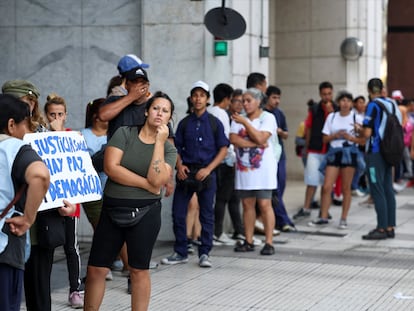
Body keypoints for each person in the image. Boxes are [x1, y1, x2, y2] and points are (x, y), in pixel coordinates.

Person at [84, 91, 177, 311]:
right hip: (112, 208)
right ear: (146, 111)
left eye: (165, 111)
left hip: (146, 213)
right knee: (96, 269)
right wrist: (147, 185)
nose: (159, 113)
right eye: (155, 108)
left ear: (169, 118)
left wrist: (159, 143)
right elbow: (111, 168)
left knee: (138, 270)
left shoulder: (169, 149)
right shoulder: (124, 133)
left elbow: (158, 178)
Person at [2, 79, 77, 311]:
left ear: (32, 103)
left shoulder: (46, 134)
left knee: (38, 287)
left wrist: (66, 202)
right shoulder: (10, 138)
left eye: (21, 102)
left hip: (40, 223)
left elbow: (60, 175)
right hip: (12, 226)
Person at [161, 81, 228, 268]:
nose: (198, 99)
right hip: (186, 172)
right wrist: (179, 165)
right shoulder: (184, 123)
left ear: (207, 99)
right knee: (178, 212)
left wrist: (209, 169)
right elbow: (175, 147)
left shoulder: (215, 123)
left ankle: (205, 252)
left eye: (202, 95)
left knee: (207, 215)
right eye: (195, 95)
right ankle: (181, 251)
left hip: (207, 173)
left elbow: (223, 148)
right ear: (191, 98)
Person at [0, 94, 50, 311]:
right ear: (11, 125)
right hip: (6, 244)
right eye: (26, 125)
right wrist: (29, 218)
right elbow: (40, 176)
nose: (28, 132)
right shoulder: (14, 148)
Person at [43, 93, 84, 308]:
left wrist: (59, 133)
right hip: (48, 203)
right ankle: (43, 291)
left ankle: (75, 290)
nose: (56, 118)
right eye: (52, 114)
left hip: (70, 202)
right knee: (47, 247)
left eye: (60, 114)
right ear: (45, 116)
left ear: (66, 115)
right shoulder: (39, 138)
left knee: (71, 246)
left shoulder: (73, 135)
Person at [308, 91, 365, 229]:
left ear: (352, 104)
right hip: (334, 152)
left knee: (346, 188)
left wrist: (351, 137)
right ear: (338, 102)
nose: (345, 103)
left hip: (349, 152)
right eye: (343, 100)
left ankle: (343, 218)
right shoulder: (332, 117)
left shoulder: (356, 118)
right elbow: (324, 138)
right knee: (327, 186)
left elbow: (363, 141)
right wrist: (336, 135)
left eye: (348, 100)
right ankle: (323, 216)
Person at [231, 88, 277, 255]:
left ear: (258, 101)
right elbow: (234, 139)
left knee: (265, 204)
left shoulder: (268, 117)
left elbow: (261, 137)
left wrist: (245, 124)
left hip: (263, 170)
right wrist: (255, 144)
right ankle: (248, 240)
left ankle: (269, 242)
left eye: (248, 100)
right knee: (247, 204)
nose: (245, 104)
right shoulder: (237, 119)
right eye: (243, 100)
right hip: (245, 170)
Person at [361, 78, 401, 240]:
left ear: (369, 90)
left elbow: (367, 133)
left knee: (376, 189)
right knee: (388, 189)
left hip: (375, 152)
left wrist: (359, 130)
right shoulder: (392, 103)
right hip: (389, 151)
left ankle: (381, 228)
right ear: (382, 89)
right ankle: (390, 226)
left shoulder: (372, 105)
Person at [293, 81, 337, 220]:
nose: (327, 96)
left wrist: (332, 113)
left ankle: (325, 210)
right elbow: (309, 128)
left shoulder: (337, 109)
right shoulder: (315, 109)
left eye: (329, 93)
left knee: (327, 184)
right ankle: (306, 208)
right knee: (311, 180)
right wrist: (307, 147)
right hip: (314, 149)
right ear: (320, 94)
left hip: (330, 151)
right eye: (324, 94)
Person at [208, 83, 243, 245]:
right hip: (224, 162)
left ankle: (236, 231)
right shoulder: (221, 114)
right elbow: (227, 140)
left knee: (228, 197)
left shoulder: (209, 112)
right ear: (227, 98)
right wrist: (231, 158)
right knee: (222, 198)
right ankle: (217, 232)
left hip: (213, 160)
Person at [264, 85, 296, 232]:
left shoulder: (280, 113)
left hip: (279, 154)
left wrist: (280, 132)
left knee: (280, 185)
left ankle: (279, 217)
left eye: (278, 98)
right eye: (274, 97)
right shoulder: (262, 113)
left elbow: (287, 134)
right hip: (267, 155)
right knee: (274, 189)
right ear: (267, 97)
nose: (277, 101)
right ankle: (283, 220)